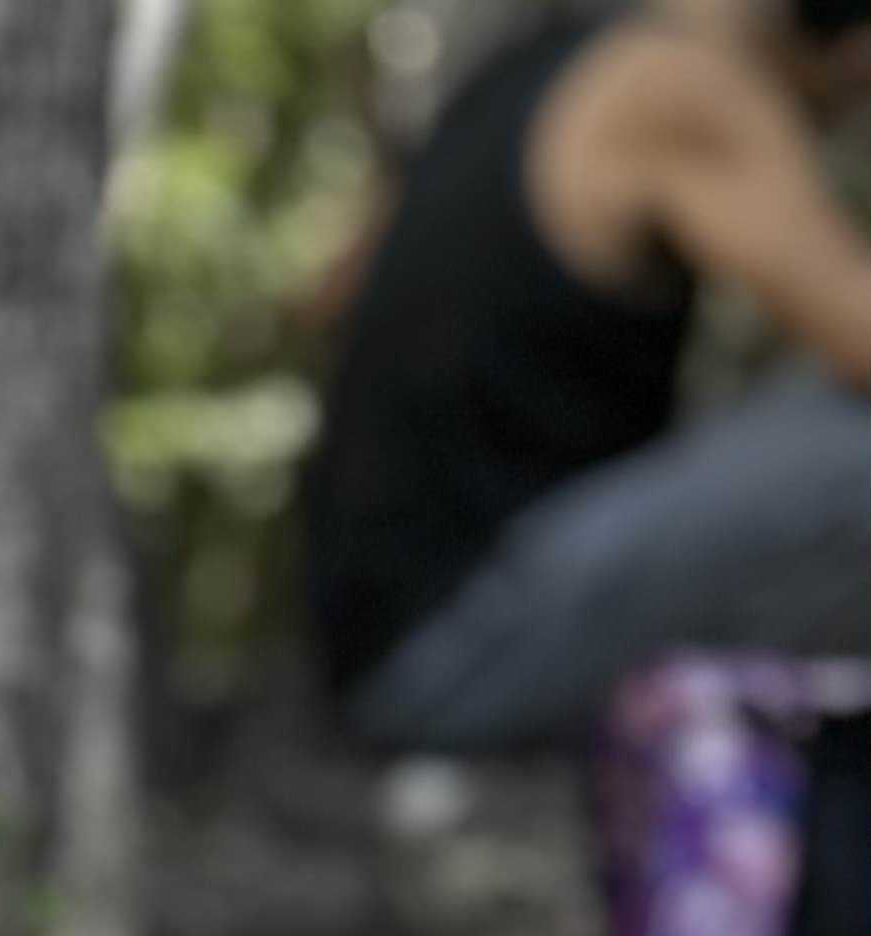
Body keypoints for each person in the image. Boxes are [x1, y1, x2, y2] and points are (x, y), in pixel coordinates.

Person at [312, 0, 871, 751]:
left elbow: (326, 294)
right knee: (855, 452)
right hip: (450, 651)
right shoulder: (680, 86)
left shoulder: (533, 64)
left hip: (391, 628)